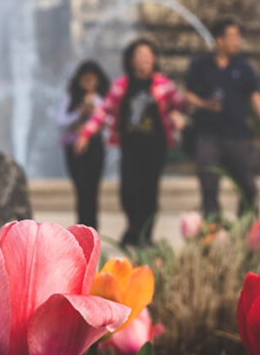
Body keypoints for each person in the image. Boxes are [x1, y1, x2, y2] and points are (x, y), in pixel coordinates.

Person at [75, 38, 185, 246]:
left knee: (149, 191)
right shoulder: (121, 86)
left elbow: (178, 105)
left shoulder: (163, 84)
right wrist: (85, 134)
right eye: (141, 55)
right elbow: (103, 111)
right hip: (130, 146)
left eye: (149, 54)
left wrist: (178, 114)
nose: (146, 59)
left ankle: (144, 235)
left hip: (155, 146)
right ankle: (134, 228)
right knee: (128, 191)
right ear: (131, 60)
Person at [185, 18, 260, 218]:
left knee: (247, 185)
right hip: (208, 136)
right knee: (208, 185)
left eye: (238, 37)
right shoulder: (201, 65)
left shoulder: (243, 66)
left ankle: (244, 226)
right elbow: (188, 94)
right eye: (233, 37)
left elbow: (256, 97)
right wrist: (204, 104)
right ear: (219, 40)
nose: (237, 41)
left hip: (238, 136)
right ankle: (213, 228)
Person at [57, 60, 110, 229]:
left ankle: (93, 227)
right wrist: (80, 111)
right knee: (81, 188)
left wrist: (96, 110)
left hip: (94, 147)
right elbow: (61, 121)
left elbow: (110, 121)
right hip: (75, 148)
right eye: (85, 80)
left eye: (92, 80)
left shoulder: (102, 99)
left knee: (93, 189)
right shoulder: (71, 97)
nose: (88, 84)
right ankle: (82, 225)